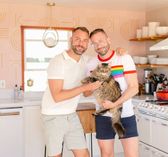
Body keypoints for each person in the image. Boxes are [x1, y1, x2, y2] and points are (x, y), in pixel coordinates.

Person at [41, 27, 102, 157]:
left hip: (71, 115)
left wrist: (120, 52)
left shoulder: (87, 61)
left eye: (85, 40)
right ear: (71, 40)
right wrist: (85, 88)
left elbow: (86, 93)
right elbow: (57, 96)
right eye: (77, 39)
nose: (81, 43)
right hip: (53, 116)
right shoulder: (58, 61)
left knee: (84, 155)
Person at [85, 28, 139, 157]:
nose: (98, 45)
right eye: (94, 43)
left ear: (108, 40)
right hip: (103, 117)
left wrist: (114, 104)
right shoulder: (91, 64)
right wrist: (92, 85)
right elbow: (86, 93)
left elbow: (134, 87)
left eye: (101, 41)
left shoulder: (123, 58)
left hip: (125, 115)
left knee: (132, 155)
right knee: (106, 154)